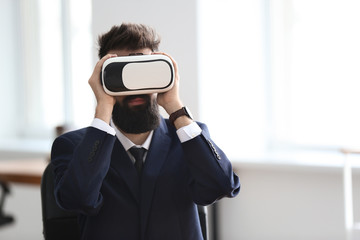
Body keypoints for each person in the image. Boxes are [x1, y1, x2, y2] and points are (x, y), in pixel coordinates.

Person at [51, 23, 240, 240]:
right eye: (121, 74)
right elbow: (78, 199)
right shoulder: (74, 146)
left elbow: (222, 186)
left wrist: (175, 106)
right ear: (103, 79)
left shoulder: (186, 137)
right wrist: (102, 108)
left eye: (143, 71)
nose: (134, 88)